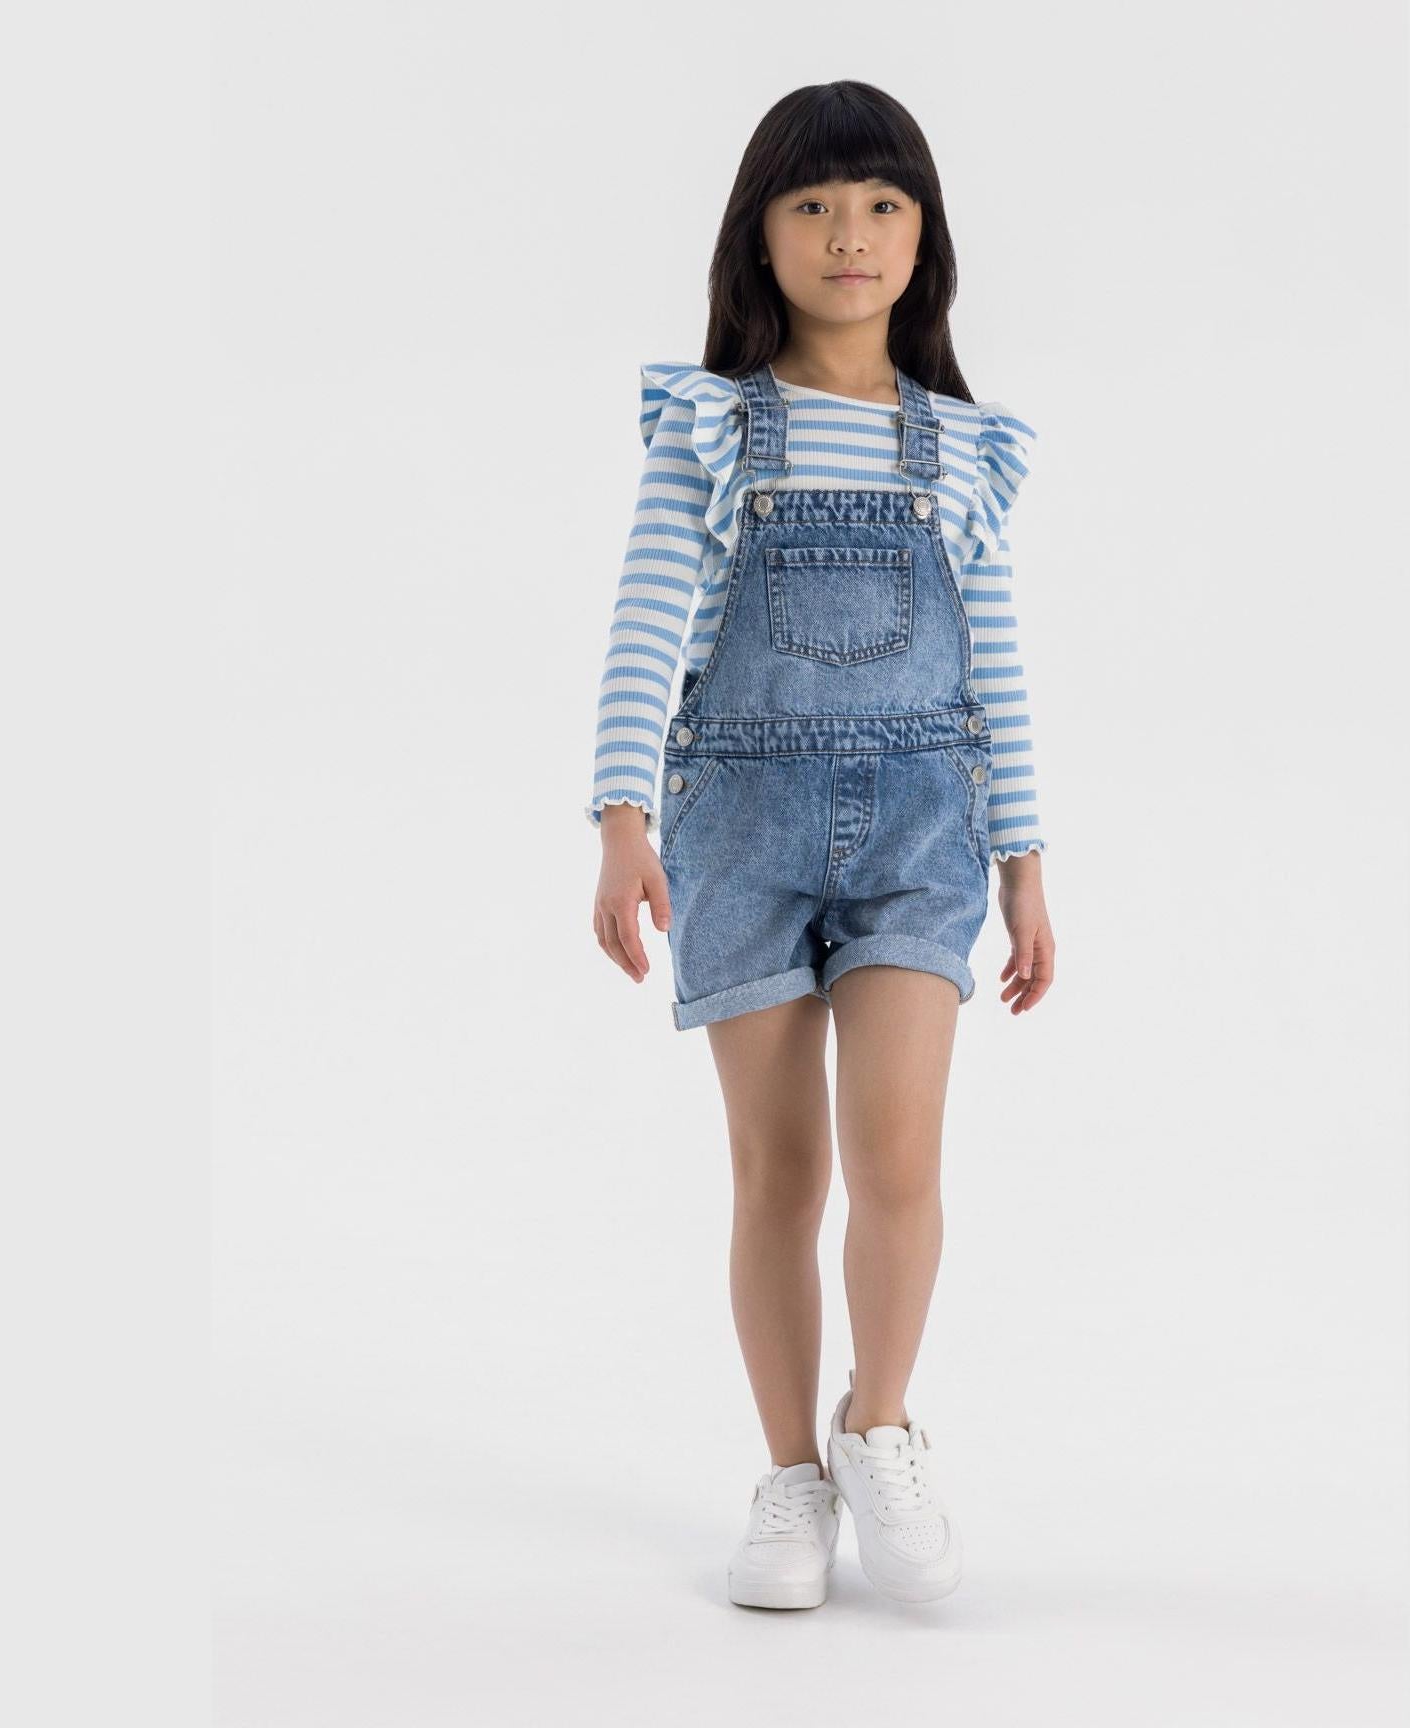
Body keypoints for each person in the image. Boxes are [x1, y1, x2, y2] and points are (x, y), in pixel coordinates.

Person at [585, 81, 1056, 1609]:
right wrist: (619, 820)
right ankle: (790, 1477)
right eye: (812, 205)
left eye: (881, 204)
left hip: (927, 822)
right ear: (759, 235)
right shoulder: (713, 426)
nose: (848, 235)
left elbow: (995, 668)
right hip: (744, 828)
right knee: (778, 1172)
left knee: (899, 1155)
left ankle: (881, 1424)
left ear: (925, 236)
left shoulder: (962, 450)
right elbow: (647, 627)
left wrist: (1027, 860)